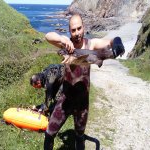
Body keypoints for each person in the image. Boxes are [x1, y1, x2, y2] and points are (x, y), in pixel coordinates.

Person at [44, 14, 125, 150]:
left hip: (82, 102)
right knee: (49, 134)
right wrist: (62, 39)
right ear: (69, 31)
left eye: (79, 28)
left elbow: (109, 42)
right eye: (73, 30)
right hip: (65, 99)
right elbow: (48, 36)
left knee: (80, 138)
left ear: (84, 27)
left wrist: (117, 41)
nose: (77, 33)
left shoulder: (91, 44)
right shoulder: (66, 46)